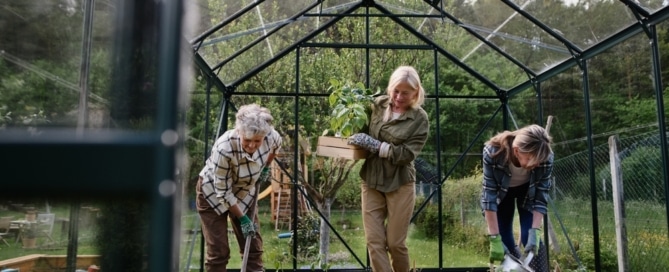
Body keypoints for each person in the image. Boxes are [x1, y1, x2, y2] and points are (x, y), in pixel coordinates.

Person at [348, 65, 429, 272]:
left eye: (405, 92)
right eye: (396, 90)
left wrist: (376, 146)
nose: (399, 96)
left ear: (415, 93)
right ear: (390, 88)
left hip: (399, 182)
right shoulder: (377, 105)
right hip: (371, 179)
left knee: (395, 243)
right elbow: (361, 129)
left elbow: (407, 155)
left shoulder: (419, 118)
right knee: (374, 242)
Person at [196, 103, 282, 272]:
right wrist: (243, 219)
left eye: (257, 141)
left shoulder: (271, 136)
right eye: (247, 140)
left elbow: (276, 146)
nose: (252, 145)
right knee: (218, 252)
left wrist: (266, 166)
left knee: (253, 247)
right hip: (213, 194)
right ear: (239, 132)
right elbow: (223, 193)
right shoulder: (224, 148)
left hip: (245, 192)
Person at [480, 124, 553, 271]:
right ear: (517, 151)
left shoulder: (545, 157)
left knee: (530, 238)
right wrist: (494, 238)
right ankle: (513, 267)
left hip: (528, 193)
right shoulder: (493, 153)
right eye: (532, 160)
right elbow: (489, 197)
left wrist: (535, 231)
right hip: (501, 195)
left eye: (540, 160)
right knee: (504, 240)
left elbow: (541, 195)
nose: (538, 164)